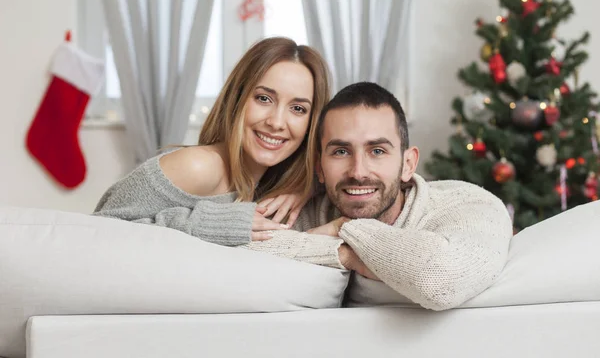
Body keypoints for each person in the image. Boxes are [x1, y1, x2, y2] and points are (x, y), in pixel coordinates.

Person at [247, 81, 513, 311]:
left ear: (408, 164)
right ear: (319, 167)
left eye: (377, 151)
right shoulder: (296, 211)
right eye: (340, 151)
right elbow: (235, 249)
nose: (358, 172)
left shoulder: (468, 204)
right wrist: (341, 251)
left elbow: (440, 280)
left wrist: (347, 233)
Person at [93, 37, 334, 246]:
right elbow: (97, 231)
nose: (277, 122)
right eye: (263, 98)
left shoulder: (276, 182)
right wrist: (210, 224)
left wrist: (305, 187)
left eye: (298, 108)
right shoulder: (198, 166)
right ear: (237, 98)